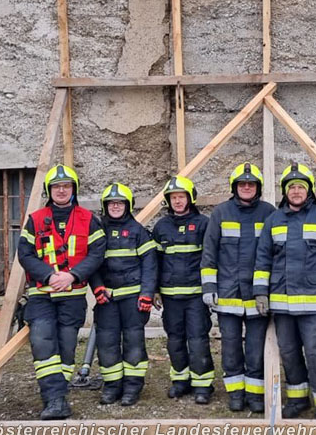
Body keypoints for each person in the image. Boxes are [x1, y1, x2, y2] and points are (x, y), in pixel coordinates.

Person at [253, 162, 316, 419]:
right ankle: (297, 399)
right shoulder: (273, 220)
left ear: (309, 191)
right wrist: (261, 292)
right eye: (291, 187)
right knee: (290, 354)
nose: (296, 191)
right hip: (282, 305)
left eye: (300, 187)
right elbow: (263, 259)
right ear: (285, 191)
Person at [18, 164, 106, 419]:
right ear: (49, 190)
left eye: (66, 186)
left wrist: (72, 275)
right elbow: (24, 253)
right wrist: (48, 276)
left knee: (67, 349)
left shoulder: (88, 219)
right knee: (43, 343)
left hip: (73, 295)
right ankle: (53, 399)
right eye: (56, 187)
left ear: (73, 189)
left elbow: (97, 253)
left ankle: (58, 395)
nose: (61, 190)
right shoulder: (35, 219)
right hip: (41, 295)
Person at [201, 163, 275, 412]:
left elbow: (275, 254)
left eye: (251, 184)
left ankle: (255, 394)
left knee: (255, 347)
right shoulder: (221, 213)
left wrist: (269, 290)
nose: (246, 187)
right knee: (230, 346)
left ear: (258, 188)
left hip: (257, 295)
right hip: (228, 294)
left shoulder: (269, 213)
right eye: (242, 184)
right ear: (234, 187)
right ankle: (235, 393)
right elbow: (209, 253)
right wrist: (209, 286)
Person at [89, 183, 157, 407]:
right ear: (105, 206)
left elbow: (149, 265)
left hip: (133, 300)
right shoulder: (98, 231)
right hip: (106, 299)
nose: (115, 206)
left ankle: (132, 387)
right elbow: (92, 264)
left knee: (133, 342)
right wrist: (97, 287)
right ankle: (111, 386)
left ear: (127, 206)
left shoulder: (138, 231)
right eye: (111, 203)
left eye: (119, 203)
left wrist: (147, 294)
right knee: (107, 343)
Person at [153, 176, 215, 404]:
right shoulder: (161, 227)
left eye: (181, 197)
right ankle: (180, 381)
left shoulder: (203, 224)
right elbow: (156, 261)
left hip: (196, 295)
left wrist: (210, 288)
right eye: (173, 198)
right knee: (175, 340)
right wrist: (155, 290)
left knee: (198, 339)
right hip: (170, 296)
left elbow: (210, 258)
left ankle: (203, 385)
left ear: (190, 198)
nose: (177, 201)